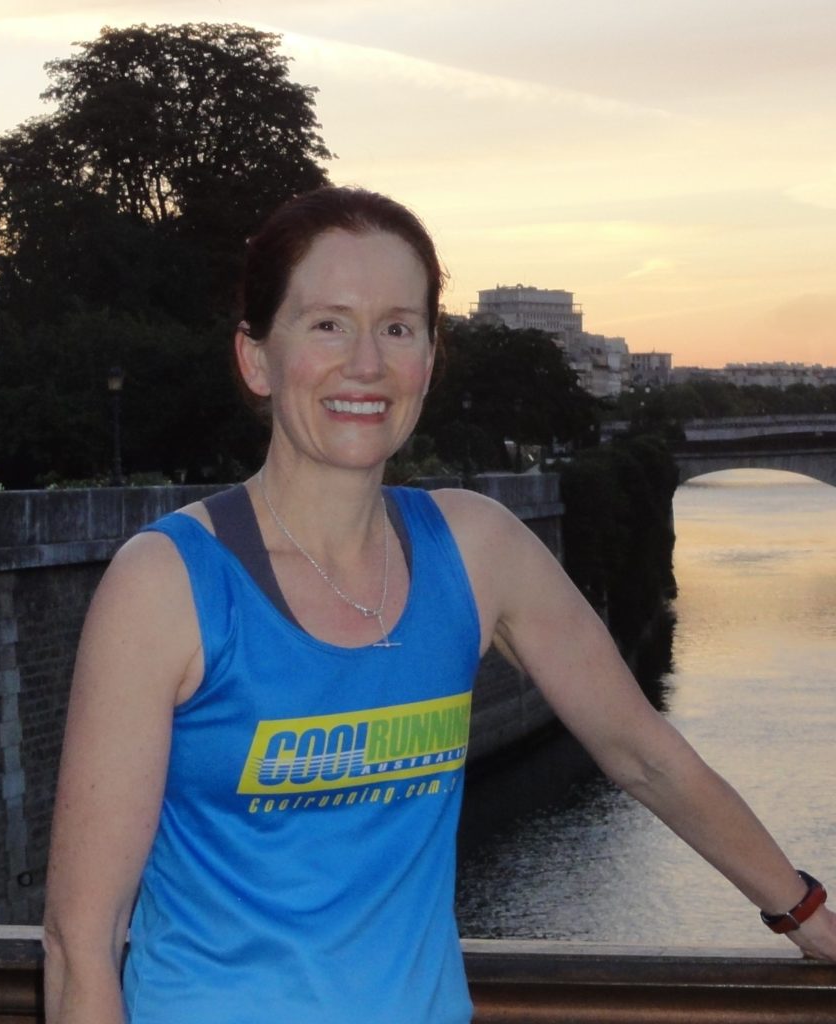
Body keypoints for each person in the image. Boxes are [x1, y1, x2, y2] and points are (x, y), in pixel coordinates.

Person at [42, 186, 836, 1024]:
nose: (366, 363)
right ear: (256, 358)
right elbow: (78, 945)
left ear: (428, 357)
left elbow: (643, 754)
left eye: (397, 327)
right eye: (327, 324)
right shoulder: (167, 584)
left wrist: (805, 913)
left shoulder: (477, 549)